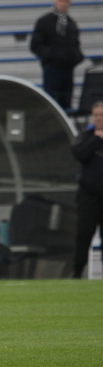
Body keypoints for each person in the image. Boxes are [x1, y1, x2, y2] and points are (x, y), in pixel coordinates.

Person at [30, 0, 84, 111]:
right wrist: (51, 56)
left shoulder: (71, 24)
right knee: (52, 104)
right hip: (52, 70)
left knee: (66, 103)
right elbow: (35, 45)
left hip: (68, 71)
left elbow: (76, 44)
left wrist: (76, 57)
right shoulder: (44, 21)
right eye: (61, 0)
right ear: (55, 2)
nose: (63, 3)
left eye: (66, 1)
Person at [70, 101, 103, 278]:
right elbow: (79, 154)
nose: (98, 118)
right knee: (83, 235)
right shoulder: (86, 136)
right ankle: (77, 273)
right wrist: (97, 139)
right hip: (88, 196)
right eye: (96, 115)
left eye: (101, 115)